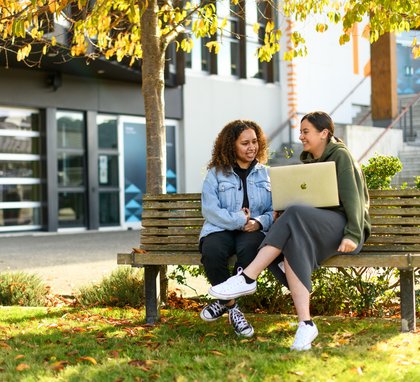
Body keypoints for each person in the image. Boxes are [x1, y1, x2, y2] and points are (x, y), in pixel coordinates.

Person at [208, 111, 371, 350]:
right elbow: (316, 199)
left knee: (293, 213)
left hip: (343, 226)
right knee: (292, 241)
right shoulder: (311, 160)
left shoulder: (340, 156)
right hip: (321, 225)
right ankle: (306, 324)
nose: (301, 136)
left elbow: (353, 198)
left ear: (324, 133)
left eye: (306, 131)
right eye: (301, 131)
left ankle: (247, 277)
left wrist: (353, 234)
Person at [199, 119, 274, 337]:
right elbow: (210, 210)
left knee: (251, 247)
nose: (252, 147)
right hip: (219, 229)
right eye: (245, 143)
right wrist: (239, 220)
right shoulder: (215, 174)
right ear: (231, 145)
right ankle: (232, 306)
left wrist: (259, 222)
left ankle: (223, 303)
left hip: (252, 231)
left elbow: (274, 210)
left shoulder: (266, 174)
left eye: (254, 142)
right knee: (212, 250)